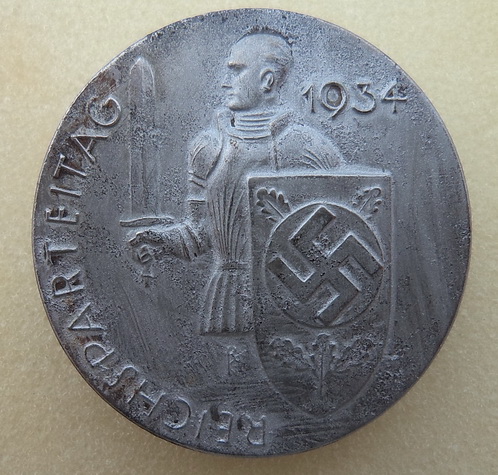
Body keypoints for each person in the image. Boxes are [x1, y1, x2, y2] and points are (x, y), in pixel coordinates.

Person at [131, 30, 343, 334]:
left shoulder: (308, 148)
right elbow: (199, 235)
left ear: (267, 80)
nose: (224, 81)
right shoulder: (207, 149)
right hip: (226, 299)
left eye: (236, 70)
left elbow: (340, 230)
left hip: (296, 301)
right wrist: (161, 241)